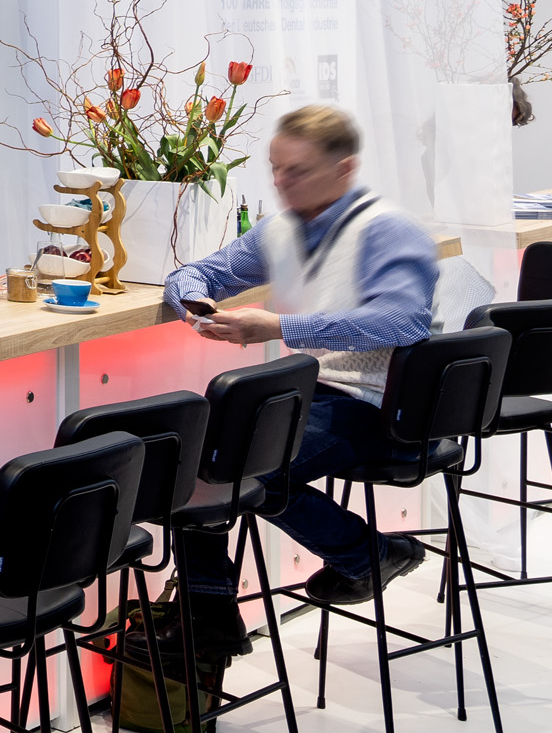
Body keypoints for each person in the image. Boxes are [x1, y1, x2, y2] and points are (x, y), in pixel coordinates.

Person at [157, 103, 444, 652]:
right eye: (276, 168)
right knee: (196, 453)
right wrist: (194, 301)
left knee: (238, 466)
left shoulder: (389, 231)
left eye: (298, 170)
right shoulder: (282, 229)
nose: (282, 182)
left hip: (384, 406)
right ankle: (210, 613)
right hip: (315, 393)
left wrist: (279, 325)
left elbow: (402, 321)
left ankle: (368, 556)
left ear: (344, 169)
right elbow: (198, 272)